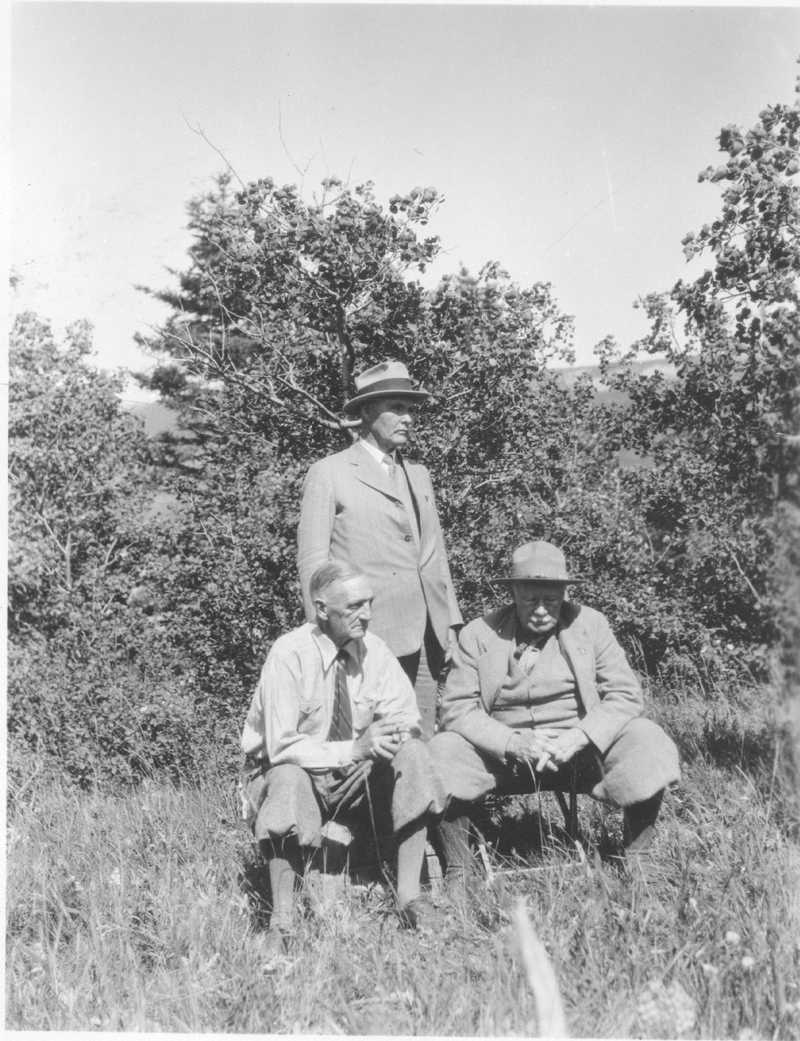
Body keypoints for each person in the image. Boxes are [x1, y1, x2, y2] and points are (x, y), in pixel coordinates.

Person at [394, 540, 681, 907]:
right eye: (531, 600)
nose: (543, 611)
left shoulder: (590, 625)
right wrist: (513, 742)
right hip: (504, 758)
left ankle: (638, 859)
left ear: (564, 593)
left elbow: (625, 696)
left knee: (647, 738)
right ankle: (459, 871)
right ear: (513, 592)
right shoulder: (478, 634)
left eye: (552, 600)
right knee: (442, 751)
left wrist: (581, 737)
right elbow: (457, 709)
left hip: (580, 755)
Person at [297, 359, 468, 881]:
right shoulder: (330, 473)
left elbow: (434, 558)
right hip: (366, 638)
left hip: (425, 636)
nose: (407, 417)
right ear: (367, 412)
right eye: (396, 407)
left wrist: (452, 627)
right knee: (369, 746)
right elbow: (312, 560)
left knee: (418, 744)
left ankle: (427, 862)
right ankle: (363, 861)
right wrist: (329, 639)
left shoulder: (417, 474)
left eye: (411, 408)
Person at [240, 561, 443, 952]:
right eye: (353, 607)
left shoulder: (375, 652)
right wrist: (355, 748)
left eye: (369, 603)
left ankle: (410, 898)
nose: (366, 614)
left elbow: (407, 716)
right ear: (320, 609)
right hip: (289, 773)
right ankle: (282, 923)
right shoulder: (289, 655)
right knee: (287, 778)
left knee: (414, 753)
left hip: (352, 774)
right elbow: (280, 745)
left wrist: (392, 735)